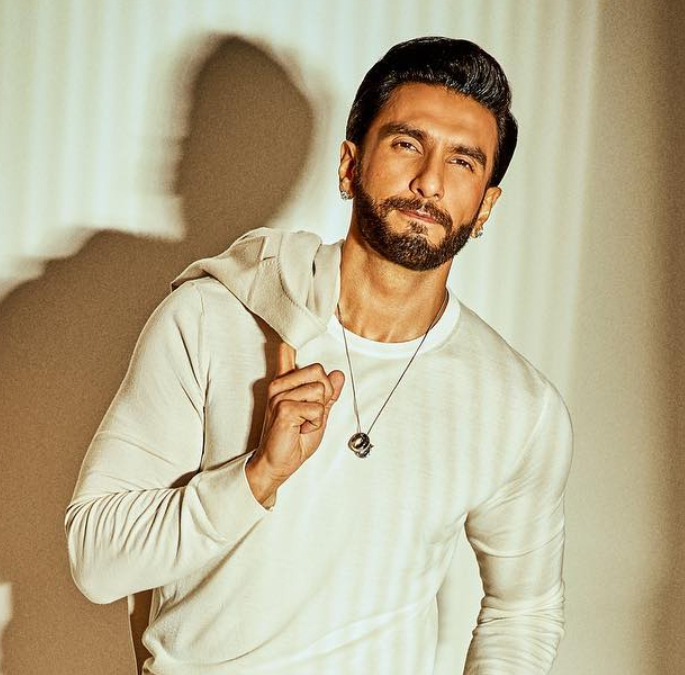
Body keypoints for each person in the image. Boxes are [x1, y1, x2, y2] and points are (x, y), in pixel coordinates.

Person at [66, 36, 573, 675]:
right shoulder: (212, 318)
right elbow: (96, 560)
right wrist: (256, 477)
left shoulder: (517, 405)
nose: (429, 182)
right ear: (349, 165)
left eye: (463, 162)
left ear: (486, 207)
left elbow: (523, 612)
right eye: (407, 144)